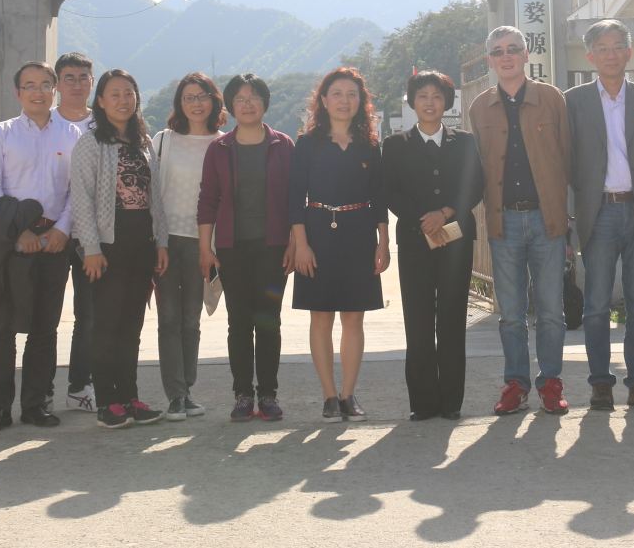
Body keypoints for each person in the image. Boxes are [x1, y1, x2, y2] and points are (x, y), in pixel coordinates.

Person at [466, 25, 571, 416]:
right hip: (503, 221)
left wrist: (567, 217)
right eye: (498, 51)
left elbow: (568, 156)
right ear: (490, 60)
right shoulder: (480, 108)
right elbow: (476, 167)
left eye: (513, 49)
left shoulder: (551, 99)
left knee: (551, 311)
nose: (506, 56)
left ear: (526, 54)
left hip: (547, 220)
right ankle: (516, 383)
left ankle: (551, 382)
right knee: (510, 314)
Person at [565, 19, 634, 413]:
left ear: (629, 52)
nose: (610, 54)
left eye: (617, 46)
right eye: (602, 48)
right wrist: (571, 215)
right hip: (598, 213)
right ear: (590, 56)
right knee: (596, 306)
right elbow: (566, 159)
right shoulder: (574, 101)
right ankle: (600, 384)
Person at [0, 61, 78, 433]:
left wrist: (62, 230)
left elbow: (77, 190)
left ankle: (37, 404)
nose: (38, 92)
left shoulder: (71, 134)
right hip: (11, 241)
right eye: (30, 85)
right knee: (3, 328)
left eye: (45, 84)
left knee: (45, 327)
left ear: (55, 90)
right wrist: (19, 233)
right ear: (18, 92)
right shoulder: (1, 134)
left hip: (55, 242)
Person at [69, 69, 169, 429]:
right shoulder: (90, 143)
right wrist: (91, 248)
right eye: (115, 94)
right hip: (107, 246)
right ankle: (107, 402)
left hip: (141, 244)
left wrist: (161, 241)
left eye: (129, 93)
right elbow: (81, 198)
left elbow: (155, 197)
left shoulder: (143, 142)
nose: (123, 100)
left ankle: (130, 397)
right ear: (100, 101)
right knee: (106, 325)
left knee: (132, 325)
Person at [288, 67, 389, 422]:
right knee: (321, 315)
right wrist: (301, 245)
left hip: (359, 232)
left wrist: (383, 242)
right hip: (317, 232)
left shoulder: (369, 146)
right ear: (324, 100)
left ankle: (349, 394)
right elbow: (294, 198)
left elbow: (379, 196)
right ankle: (329, 396)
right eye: (337, 94)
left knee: (354, 316)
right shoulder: (307, 144)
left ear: (361, 101)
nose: (344, 101)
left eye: (352, 94)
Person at [383, 71, 484, 421]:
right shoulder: (395, 145)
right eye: (423, 95)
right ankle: (423, 403)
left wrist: (446, 212)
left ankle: (452, 402)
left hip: (456, 240)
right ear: (412, 101)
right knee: (419, 320)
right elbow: (390, 190)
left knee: (453, 319)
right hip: (414, 241)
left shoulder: (465, 142)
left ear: (447, 102)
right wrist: (421, 218)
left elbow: (475, 184)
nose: (429, 102)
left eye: (437, 96)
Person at [199, 74, 295, 421]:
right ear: (230, 106)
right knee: (238, 322)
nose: (248, 104)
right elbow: (208, 200)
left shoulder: (283, 145)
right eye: (240, 99)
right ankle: (242, 394)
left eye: (254, 97)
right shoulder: (220, 149)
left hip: (273, 249)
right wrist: (205, 248)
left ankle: (268, 394)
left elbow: (295, 199)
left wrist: (295, 242)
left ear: (265, 103)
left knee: (269, 321)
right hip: (232, 250)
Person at [151, 73, 226, 421]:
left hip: (204, 242)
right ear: (179, 103)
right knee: (168, 317)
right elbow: (152, 193)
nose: (196, 104)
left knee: (191, 319)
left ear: (214, 101)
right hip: (167, 241)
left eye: (202, 96)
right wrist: (157, 240)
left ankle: (187, 389)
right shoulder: (164, 141)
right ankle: (175, 395)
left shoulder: (223, 144)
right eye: (188, 97)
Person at [51, 52, 99, 414]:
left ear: (92, 82)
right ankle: (40, 391)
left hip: (91, 235)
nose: (77, 84)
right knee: (46, 316)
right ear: (57, 84)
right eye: (69, 77)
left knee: (90, 314)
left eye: (83, 77)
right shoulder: (43, 123)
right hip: (48, 233)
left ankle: (80, 385)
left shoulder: (104, 124)